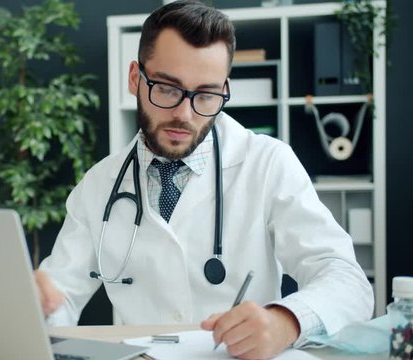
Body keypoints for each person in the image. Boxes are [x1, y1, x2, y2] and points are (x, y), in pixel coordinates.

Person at [36, 1, 374, 359]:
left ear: (224, 90)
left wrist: (287, 320)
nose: (184, 114)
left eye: (206, 95)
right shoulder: (99, 185)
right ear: (135, 78)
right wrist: (39, 309)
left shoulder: (268, 163)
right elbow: (58, 297)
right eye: (167, 88)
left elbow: (347, 280)